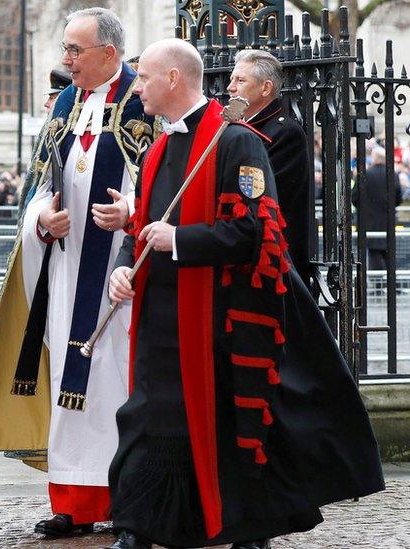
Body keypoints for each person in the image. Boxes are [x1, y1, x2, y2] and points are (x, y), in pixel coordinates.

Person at [104, 38, 384, 549]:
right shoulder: (158, 147)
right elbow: (142, 230)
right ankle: (143, 524)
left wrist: (182, 240)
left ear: (171, 79)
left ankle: (248, 529)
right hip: (160, 318)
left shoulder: (238, 142)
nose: (135, 87)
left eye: (142, 77)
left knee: (230, 427)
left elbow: (258, 232)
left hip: (219, 318)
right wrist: (124, 269)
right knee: (151, 420)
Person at [0, 8, 156, 538]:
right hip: (67, 269)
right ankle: (72, 501)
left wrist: (131, 215)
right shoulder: (66, 102)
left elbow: (166, 186)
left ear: (109, 54)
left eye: (75, 50)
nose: (65, 60)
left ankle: (126, 499)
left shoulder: (145, 103)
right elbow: (41, 182)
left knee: (116, 381)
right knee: (71, 381)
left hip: (123, 274)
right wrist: (41, 218)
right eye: (66, 49)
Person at [227, 49, 314, 285]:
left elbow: (258, 197)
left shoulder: (284, 132)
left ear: (265, 88)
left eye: (240, 80)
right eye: (232, 79)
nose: (230, 87)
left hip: (272, 260)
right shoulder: (237, 129)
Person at [353, 147, 403, 270]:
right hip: (387, 221)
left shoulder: (365, 174)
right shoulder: (393, 175)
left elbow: (354, 197)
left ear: (374, 158)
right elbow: (399, 198)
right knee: (389, 257)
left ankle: (378, 286)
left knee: (373, 254)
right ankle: (390, 285)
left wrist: (365, 209)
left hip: (369, 221)